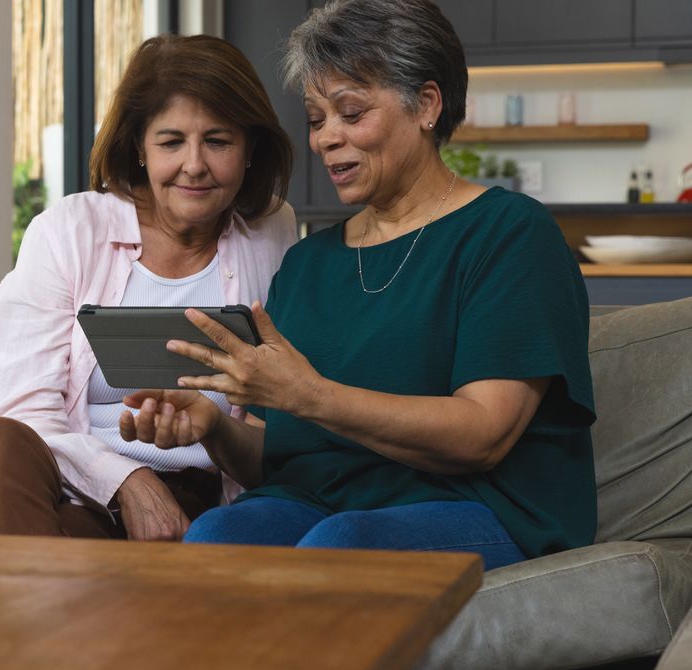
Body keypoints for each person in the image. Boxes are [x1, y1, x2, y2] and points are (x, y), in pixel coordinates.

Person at [119, 0, 596, 570]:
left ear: (425, 105)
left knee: (341, 548)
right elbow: (273, 457)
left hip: (480, 505)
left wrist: (311, 394)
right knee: (218, 537)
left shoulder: (508, 233)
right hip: (322, 502)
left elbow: (482, 434)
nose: (326, 139)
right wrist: (215, 427)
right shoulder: (308, 262)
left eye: (350, 112)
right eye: (318, 120)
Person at [0, 34, 297, 540]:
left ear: (251, 148)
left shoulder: (271, 232)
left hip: (176, 488)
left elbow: (271, 405)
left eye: (218, 141)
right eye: (171, 142)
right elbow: (28, 407)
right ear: (139, 150)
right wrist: (126, 477)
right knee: (2, 441)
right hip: (25, 461)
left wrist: (150, 484)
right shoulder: (69, 230)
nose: (194, 164)